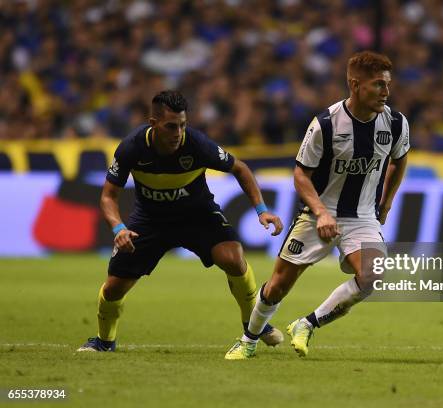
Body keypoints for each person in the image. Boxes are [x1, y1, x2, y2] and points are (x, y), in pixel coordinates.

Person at [225, 51, 410, 359]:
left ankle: (307, 324)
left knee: (372, 276)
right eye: (378, 85)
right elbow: (300, 175)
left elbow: (399, 160)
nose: (386, 93)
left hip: (362, 216)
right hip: (317, 215)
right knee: (278, 286)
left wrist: (386, 203)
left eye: (388, 85)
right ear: (355, 84)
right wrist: (322, 212)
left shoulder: (395, 123)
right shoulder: (326, 124)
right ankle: (249, 339)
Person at [78, 90, 284, 352]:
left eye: (183, 125)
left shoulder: (197, 145)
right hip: (150, 221)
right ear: (153, 124)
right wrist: (119, 228)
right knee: (114, 289)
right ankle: (104, 341)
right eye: (171, 126)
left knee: (233, 258)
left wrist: (261, 210)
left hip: (196, 215)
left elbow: (240, 168)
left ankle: (254, 325)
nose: (178, 133)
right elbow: (108, 196)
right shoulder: (132, 147)